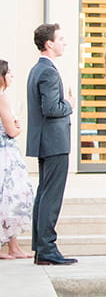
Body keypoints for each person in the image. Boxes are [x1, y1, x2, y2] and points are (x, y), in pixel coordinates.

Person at [25, 23, 76, 266]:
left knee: (44, 194)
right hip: (54, 142)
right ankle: (47, 248)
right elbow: (51, 108)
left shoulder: (37, 69)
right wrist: (69, 104)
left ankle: (41, 248)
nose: (64, 42)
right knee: (51, 196)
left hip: (45, 141)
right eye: (61, 39)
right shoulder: (48, 72)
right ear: (49, 44)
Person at [0, 60, 34, 259]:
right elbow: (12, 130)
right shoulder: (2, 97)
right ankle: (10, 246)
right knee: (12, 196)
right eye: (9, 72)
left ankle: (13, 246)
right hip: (6, 153)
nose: (12, 75)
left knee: (9, 197)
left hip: (6, 151)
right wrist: (19, 127)